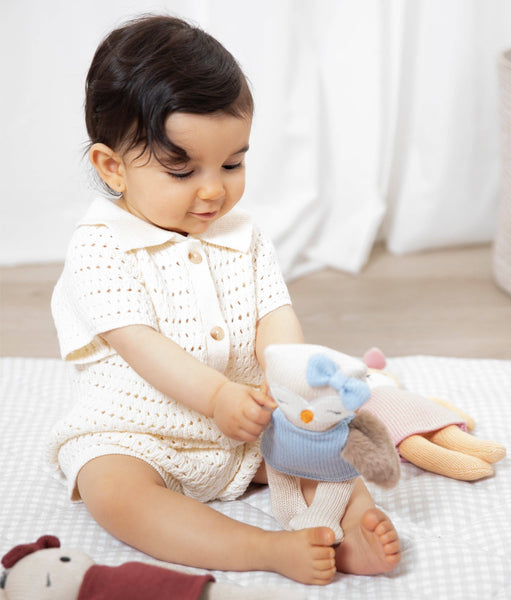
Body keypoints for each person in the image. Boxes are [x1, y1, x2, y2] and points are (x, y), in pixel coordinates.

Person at [48, 14, 400, 585]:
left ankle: (351, 527)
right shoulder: (100, 246)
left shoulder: (243, 235)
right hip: (137, 436)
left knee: (321, 449)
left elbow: (273, 317)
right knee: (111, 491)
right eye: (181, 170)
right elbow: (140, 345)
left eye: (233, 163)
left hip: (247, 427)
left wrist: (286, 382)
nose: (214, 189)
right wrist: (216, 397)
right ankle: (264, 548)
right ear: (113, 167)